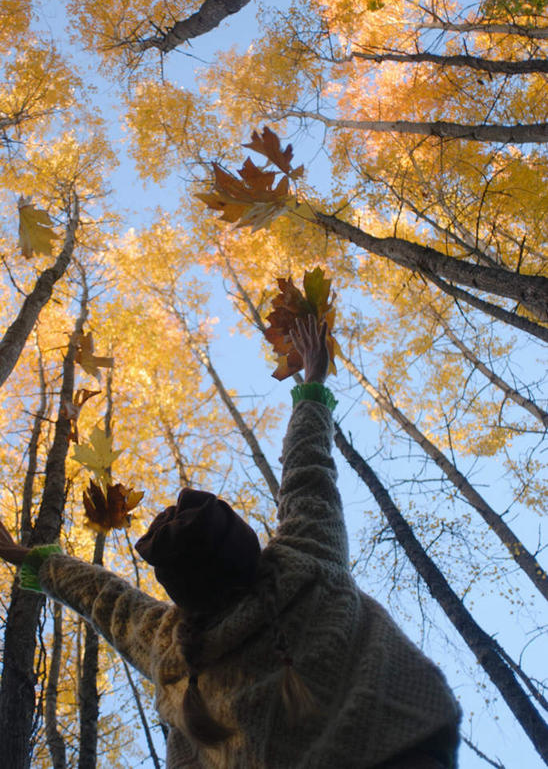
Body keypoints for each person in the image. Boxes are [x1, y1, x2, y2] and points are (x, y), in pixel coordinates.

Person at [0, 316, 460, 768]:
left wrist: (24, 558)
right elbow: (307, 468)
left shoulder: (173, 652)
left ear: (180, 591)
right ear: (252, 548)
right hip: (407, 746)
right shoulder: (305, 562)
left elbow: (104, 599)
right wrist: (314, 379)